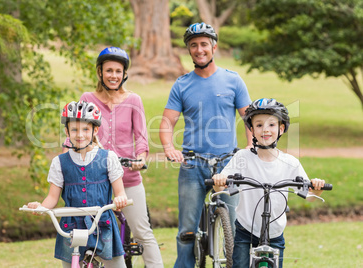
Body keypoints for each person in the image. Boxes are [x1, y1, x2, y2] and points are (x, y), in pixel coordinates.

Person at [159, 22, 253, 267]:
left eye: (203, 44)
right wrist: (169, 147)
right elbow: (167, 122)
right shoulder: (181, 84)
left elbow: (249, 118)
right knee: (187, 232)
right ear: (189, 51)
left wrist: (250, 148)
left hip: (228, 164)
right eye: (193, 45)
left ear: (213, 46)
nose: (199, 49)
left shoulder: (233, 81)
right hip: (192, 164)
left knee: (232, 227)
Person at [63, 47, 164, 267]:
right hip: (94, 181)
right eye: (109, 70)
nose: (113, 75)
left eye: (118, 71)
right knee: (86, 234)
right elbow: (77, 134)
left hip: (127, 179)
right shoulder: (87, 98)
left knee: (142, 232)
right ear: (100, 72)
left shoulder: (133, 100)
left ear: (124, 74)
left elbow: (142, 138)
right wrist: (65, 161)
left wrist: (140, 158)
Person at [212, 98, 326, 268]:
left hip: (274, 231)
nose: (265, 129)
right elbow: (220, 188)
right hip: (245, 229)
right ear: (252, 130)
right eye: (258, 125)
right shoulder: (242, 158)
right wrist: (219, 180)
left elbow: (309, 196)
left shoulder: (290, 163)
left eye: (271, 125)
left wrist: (317, 188)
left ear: (281, 129)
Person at [27, 100, 128, 267]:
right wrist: (41, 208)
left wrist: (120, 200)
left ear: (95, 130)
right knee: (70, 264)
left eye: (85, 129)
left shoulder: (108, 158)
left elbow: (120, 193)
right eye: (74, 129)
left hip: (102, 223)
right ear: (67, 131)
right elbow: (52, 198)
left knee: (116, 264)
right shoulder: (60, 162)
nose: (80, 134)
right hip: (71, 227)